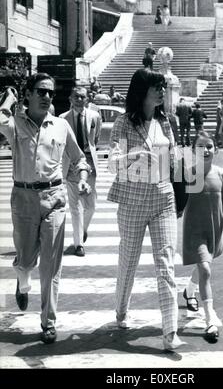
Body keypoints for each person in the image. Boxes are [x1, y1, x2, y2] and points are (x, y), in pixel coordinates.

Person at [0, 73, 90, 344]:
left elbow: (78, 158)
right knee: (27, 258)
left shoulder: (61, 125)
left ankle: (48, 322)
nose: (47, 97)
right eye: (40, 91)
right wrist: (8, 100)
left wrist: (83, 179)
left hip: (55, 198)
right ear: (27, 95)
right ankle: (22, 274)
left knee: (51, 266)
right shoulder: (15, 124)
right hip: (24, 198)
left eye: (50, 92)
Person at [107, 68, 186, 351]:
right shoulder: (124, 122)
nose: (162, 91)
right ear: (143, 90)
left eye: (163, 87)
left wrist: (181, 171)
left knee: (166, 263)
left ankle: (170, 331)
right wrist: (135, 155)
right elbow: (112, 162)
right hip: (132, 201)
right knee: (128, 260)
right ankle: (121, 309)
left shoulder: (166, 121)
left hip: (163, 197)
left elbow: (174, 157)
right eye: (157, 86)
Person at [182, 131, 223, 340]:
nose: (205, 150)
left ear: (216, 149)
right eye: (200, 146)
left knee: (204, 267)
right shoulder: (187, 174)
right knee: (205, 268)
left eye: (210, 146)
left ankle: (189, 291)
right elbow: (176, 200)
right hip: (194, 229)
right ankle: (210, 319)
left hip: (214, 228)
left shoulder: (222, 174)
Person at [60, 86, 102, 257]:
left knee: (91, 205)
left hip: (89, 163)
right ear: (70, 98)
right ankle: (78, 244)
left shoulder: (95, 116)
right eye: (76, 97)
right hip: (70, 165)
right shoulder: (63, 118)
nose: (79, 100)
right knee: (75, 206)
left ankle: (83, 229)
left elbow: (96, 138)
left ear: (87, 99)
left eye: (82, 97)